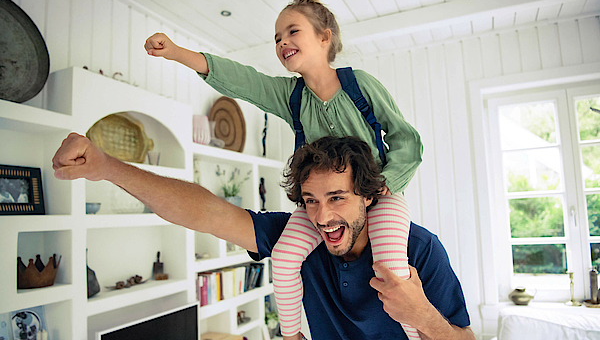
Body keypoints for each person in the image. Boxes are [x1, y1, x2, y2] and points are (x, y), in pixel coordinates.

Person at [144, 0, 422, 339]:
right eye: (277, 38)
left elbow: (406, 138)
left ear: (325, 37)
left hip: (378, 196)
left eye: (292, 32)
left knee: (392, 269)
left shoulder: (359, 85)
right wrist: (178, 52)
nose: (282, 42)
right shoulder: (290, 96)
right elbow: (243, 81)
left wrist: (387, 182)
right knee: (286, 257)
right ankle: (291, 336)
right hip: (320, 204)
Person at [52, 134, 474, 340]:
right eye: (310, 200)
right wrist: (107, 167)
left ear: (368, 196)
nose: (323, 217)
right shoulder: (301, 237)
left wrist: (421, 315)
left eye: (337, 198)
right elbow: (204, 212)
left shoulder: (419, 250)